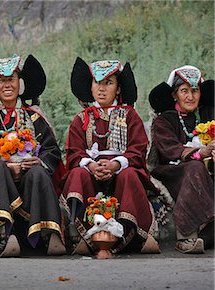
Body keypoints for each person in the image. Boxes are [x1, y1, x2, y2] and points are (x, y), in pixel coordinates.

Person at [61, 57, 159, 256]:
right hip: (92, 174)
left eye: (108, 83)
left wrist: (115, 164)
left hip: (121, 171)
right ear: (90, 86)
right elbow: (73, 152)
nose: (102, 89)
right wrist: (91, 165)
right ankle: (85, 235)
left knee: (130, 175)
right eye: (97, 82)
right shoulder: (82, 118)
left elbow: (138, 149)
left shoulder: (130, 115)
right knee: (77, 174)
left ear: (119, 88)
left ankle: (129, 235)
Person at [0, 54, 65, 257]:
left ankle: (48, 232)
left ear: (20, 83)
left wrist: (38, 160)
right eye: (1, 80)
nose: (7, 85)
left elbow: (52, 150)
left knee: (39, 172)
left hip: (28, 177)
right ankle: (0, 233)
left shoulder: (34, 117)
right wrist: (1, 164)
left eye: (11, 80)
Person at [149, 65, 214, 253]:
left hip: (209, 169)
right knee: (194, 166)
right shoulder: (164, 120)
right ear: (174, 95)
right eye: (184, 91)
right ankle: (187, 235)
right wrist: (200, 153)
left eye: (195, 91)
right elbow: (169, 148)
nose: (190, 96)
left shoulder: (210, 114)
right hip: (174, 173)